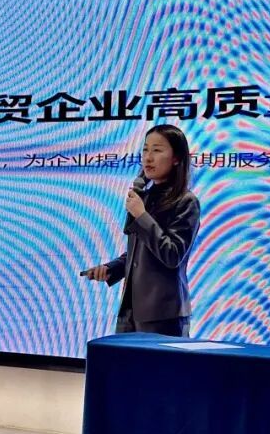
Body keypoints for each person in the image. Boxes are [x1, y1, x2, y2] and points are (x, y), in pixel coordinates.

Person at [82, 124, 201, 338]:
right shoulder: (143, 197)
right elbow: (137, 253)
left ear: (176, 158)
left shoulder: (186, 201)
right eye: (145, 149)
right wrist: (111, 269)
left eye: (157, 150)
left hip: (164, 314)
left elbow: (172, 255)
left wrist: (141, 216)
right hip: (130, 310)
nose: (148, 157)